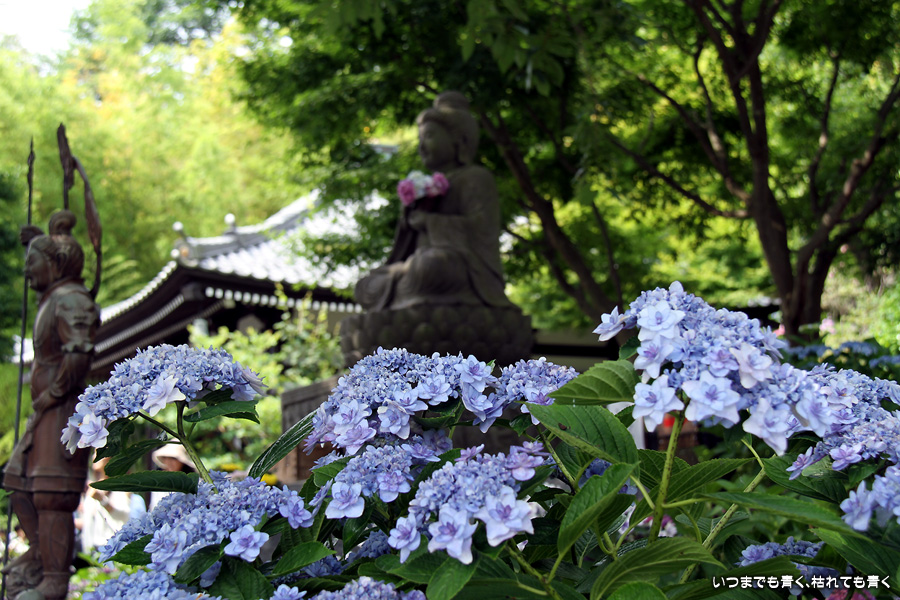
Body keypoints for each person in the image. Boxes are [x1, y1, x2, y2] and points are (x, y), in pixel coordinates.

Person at [2, 210, 100, 600]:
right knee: (18, 482)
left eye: (34, 262)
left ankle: (55, 578)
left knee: (52, 492)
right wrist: (37, 241)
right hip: (46, 409)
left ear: (56, 263)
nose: (27, 271)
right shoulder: (54, 297)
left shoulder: (71, 298)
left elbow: (79, 350)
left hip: (62, 407)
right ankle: (40, 555)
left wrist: (55, 391)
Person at [355, 91, 513, 311]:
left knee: (430, 267)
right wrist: (410, 216)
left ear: (459, 141)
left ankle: (409, 282)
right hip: (417, 263)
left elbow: (482, 228)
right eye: (420, 139)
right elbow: (405, 245)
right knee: (366, 286)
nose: (421, 147)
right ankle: (404, 279)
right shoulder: (425, 184)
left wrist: (429, 221)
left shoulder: (475, 178)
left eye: (429, 136)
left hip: (462, 267)